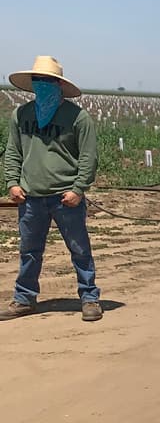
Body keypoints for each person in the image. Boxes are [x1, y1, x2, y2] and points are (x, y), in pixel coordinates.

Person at [1, 56, 102, 322]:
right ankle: (24, 299)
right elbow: (13, 152)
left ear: (58, 84)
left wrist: (78, 189)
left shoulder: (78, 118)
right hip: (30, 196)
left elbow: (88, 158)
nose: (41, 85)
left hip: (65, 197)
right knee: (29, 251)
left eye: (46, 81)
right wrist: (12, 182)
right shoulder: (21, 115)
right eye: (37, 81)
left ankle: (89, 297)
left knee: (79, 249)